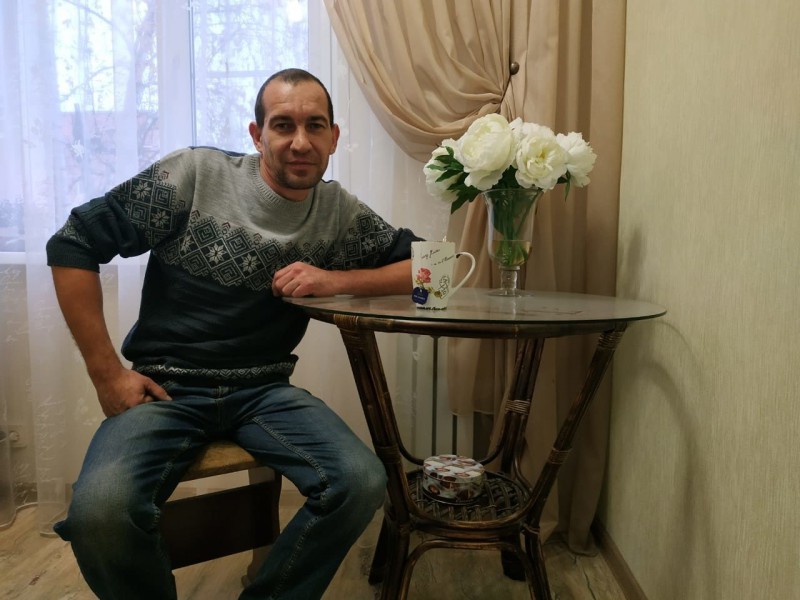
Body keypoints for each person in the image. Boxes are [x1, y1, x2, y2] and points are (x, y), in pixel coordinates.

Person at [46, 68, 420, 599]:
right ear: (256, 134)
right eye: (283, 125)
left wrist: (335, 280)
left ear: (334, 137)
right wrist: (107, 374)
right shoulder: (195, 174)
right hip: (165, 389)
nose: (300, 142)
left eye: (315, 126)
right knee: (100, 513)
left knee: (360, 483)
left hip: (264, 391)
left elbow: (433, 268)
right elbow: (73, 241)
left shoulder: (338, 212)